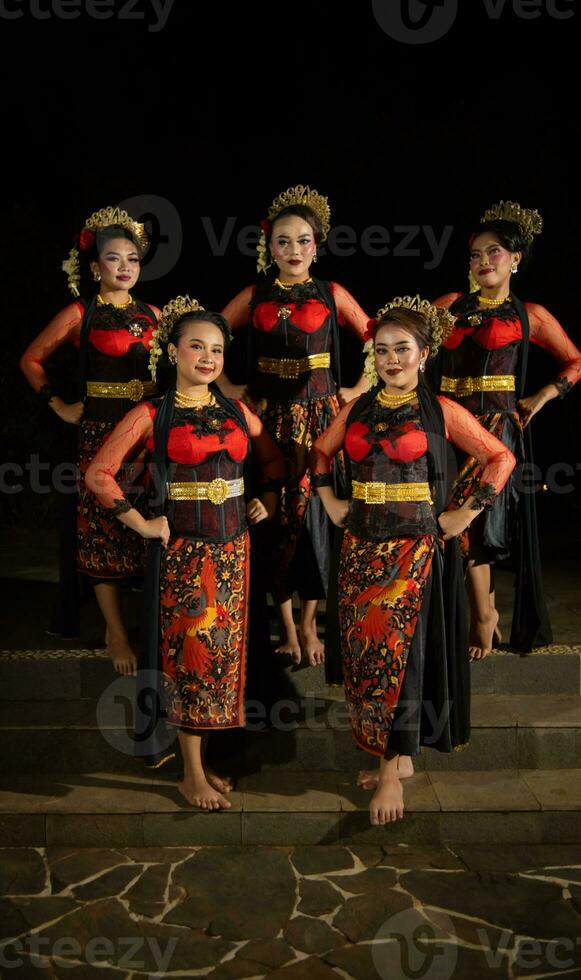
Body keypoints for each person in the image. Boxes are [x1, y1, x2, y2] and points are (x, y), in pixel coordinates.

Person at [310, 296, 515, 825]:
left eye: (403, 349)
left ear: (424, 354)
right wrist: (329, 499)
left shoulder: (442, 410)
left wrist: (466, 515)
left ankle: (387, 772)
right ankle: (391, 756)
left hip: (414, 551)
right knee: (365, 659)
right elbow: (319, 455)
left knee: (400, 659)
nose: (392, 359)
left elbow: (501, 457)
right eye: (382, 351)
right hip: (358, 548)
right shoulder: (355, 410)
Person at [86, 297, 283, 809]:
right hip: (184, 555)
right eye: (196, 346)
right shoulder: (151, 412)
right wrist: (142, 522)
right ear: (172, 351)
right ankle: (190, 773)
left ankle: (207, 762)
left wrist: (266, 499)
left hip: (235, 552)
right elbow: (98, 473)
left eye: (216, 349)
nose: (208, 357)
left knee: (223, 661)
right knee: (192, 660)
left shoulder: (237, 411)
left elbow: (273, 462)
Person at [219, 185, 369, 668]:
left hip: (321, 420)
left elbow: (376, 334)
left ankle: (309, 621)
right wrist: (228, 385)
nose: (293, 250)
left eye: (303, 241)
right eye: (283, 241)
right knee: (275, 516)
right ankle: (285, 627)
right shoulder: (255, 294)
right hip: (268, 422)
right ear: (270, 246)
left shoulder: (332, 293)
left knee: (317, 517)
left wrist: (359, 388)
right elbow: (209, 330)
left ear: (316, 245)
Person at [432, 201, 581, 658]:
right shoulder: (447, 307)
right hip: (447, 425)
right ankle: (481, 610)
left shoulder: (529, 314)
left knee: (474, 521)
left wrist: (539, 397)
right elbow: (400, 338)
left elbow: (575, 363)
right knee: (452, 521)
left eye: (493, 253)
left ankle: (483, 618)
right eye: (475, 255)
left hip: (496, 430)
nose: (482, 263)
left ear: (515, 259)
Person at [20, 206, 160, 674]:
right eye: (114, 259)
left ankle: (145, 624)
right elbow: (31, 359)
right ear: (96, 265)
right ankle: (117, 634)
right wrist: (57, 404)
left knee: (140, 526)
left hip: (145, 436)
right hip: (99, 432)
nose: (124, 267)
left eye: (133, 260)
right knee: (101, 530)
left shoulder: (155, 315)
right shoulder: (82, 313)